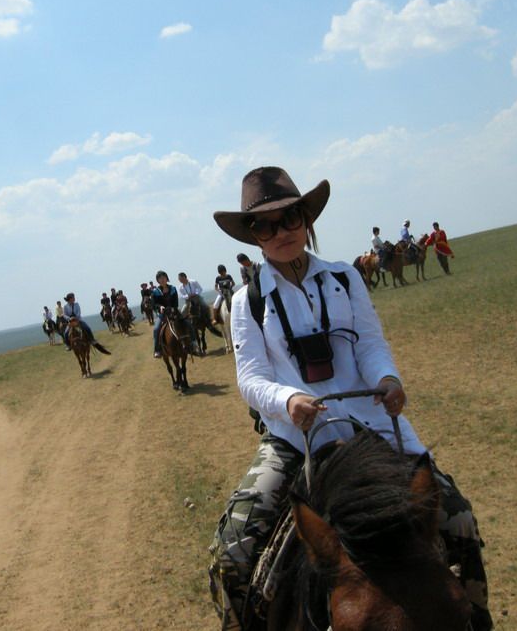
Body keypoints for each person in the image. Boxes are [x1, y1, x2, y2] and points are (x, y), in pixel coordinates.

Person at [207, 167, 492, 631]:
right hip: (294, 439)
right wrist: (289, 400)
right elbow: (251, 379)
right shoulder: (247, 302)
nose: (281, 232)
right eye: (265, 224)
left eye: (290, 218)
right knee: (234, 552)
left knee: (457, 518)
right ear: (253, 236)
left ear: (307, 220)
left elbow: (371, 344)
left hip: (369, 425)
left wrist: (387, 377)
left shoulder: (344, 278)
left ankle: (478, 620)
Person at [150, 270, 179, 358]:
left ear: (167, 278)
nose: (162, 279)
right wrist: (160, 307)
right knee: (156, 329)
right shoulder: (155, 291)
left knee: (187, 322)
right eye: (160, 278)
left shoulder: (173, 289)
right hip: (163, 314)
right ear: (158, 280)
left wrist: (174, 308)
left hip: (173, 311)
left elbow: (176, 302)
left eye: (163, 277)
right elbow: (153, 304)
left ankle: (192, 343)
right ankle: (157, 349)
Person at [178, 272, 205, 353]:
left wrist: (195, 293)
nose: (180, 280)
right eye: (179, 279)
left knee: (205, 307)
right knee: (182, 313)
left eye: (180, 278)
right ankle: (183, 327)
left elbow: (200, 289)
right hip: (188, 301)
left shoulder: (193, 281)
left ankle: (209, 321)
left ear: (184, 277)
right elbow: (182, 295)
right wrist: (187, 296)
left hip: (196, 298)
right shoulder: (180, 287)